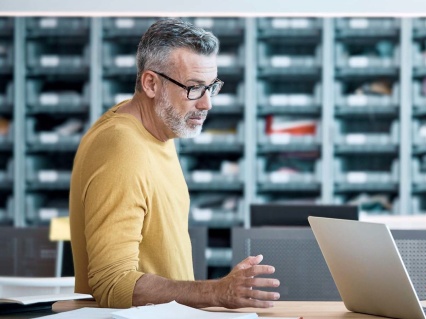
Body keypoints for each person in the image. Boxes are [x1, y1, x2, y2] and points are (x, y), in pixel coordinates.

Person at [69, 19, 280, 309]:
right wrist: (215, 293)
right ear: (151, 83)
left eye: (211, 87)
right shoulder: (122, 149)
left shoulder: (158, 130)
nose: (207, 104)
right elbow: (112, 282)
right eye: (194, 88)